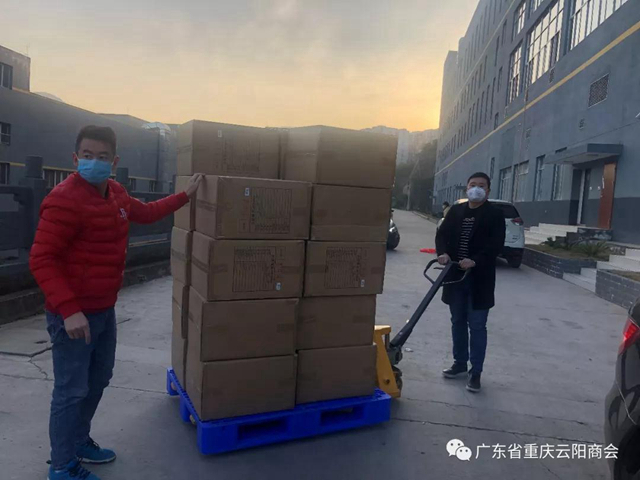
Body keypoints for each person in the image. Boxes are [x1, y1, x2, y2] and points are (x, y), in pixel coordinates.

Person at [29, 126, 202, 480]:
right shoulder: (64, 199)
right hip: (73, 316)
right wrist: (69, 310)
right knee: (71, 390)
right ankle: (61, 465)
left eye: (102, 157)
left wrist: (185, 196)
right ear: (75, 159)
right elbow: (41, 258)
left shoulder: (116, 194)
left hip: (103, 309)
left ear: (114, 161)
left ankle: (78, 441)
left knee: (99, 378)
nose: (94, 162)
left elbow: (147, 212)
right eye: (87, 156)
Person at [435, 172, 505, 393]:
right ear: (466, 188)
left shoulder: (494, 215)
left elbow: (496, 244)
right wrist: (442, 253)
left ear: (488, 190)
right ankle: (459, 363)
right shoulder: (456, 211)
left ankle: (476, 372)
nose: (476, 189)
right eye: (473, 185)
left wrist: (475, 261)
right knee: (457, 321)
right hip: (455, 276)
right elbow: (441, 234)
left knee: (477, 325)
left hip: (479, 279)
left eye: (481, 185)